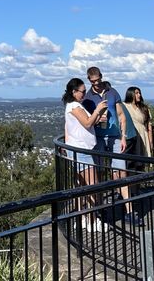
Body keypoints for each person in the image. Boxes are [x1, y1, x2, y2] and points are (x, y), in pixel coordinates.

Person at [81, 67, 142, 225]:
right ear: (89, 80)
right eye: (92, 81)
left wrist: (123, 137)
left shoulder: (112, 92)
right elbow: (86, 122)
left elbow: (121, 115)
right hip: (98, 138)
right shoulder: (87, 98)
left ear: (101, 77)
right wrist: (97, 117)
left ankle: (129, 211)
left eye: (97, 80)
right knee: (99, 174)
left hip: (114, 136)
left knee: (121, 173)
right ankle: (101, 210)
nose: (95, 83)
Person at [62, 77, 109, 232]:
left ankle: (83, 218)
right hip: (81, 150)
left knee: (81, 186)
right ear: (74, 92)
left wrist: (97, 116)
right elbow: (87, 123)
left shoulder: (73, 105)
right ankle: (92, 220)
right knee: (92, 186)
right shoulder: (74, 106)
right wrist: (97, 109)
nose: (84, 94)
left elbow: (78, 125)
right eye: (82, 91)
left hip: (77, 149)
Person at [124, 86, 153, 163]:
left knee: (141, 161)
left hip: (143, 135)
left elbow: (149, 126)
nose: (139, 95)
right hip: (130, 136)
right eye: (136, 93)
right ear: (130, 94)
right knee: (131, 161)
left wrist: (150, 141)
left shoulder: (144, 108)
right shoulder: (125, 106)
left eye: (139, 93)